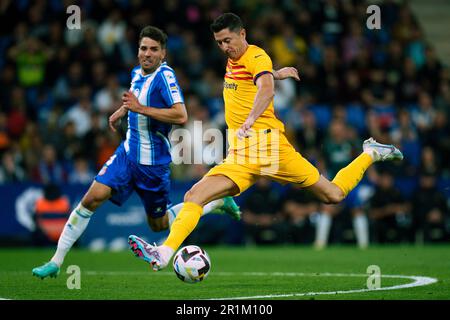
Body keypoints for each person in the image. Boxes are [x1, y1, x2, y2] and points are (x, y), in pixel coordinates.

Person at [128, 13, 403, 271]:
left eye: (228, 40)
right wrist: (276, 72)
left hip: (269, 148)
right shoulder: (237, 59)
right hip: (241, 152)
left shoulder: (255, 54)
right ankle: (164, 253)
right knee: (193, 196)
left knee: (333, 195)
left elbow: (266, 88)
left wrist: (252, 116)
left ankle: (370, 153)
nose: (224, 47)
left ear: (242, 34)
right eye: (219, 43)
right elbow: (259, 78)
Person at [32, 26, 241, 279]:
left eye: (154, 49)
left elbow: (181, 115)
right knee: (90, 199)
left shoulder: (166, 77)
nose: (147, 54)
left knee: (159, 224)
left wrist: (140, 108)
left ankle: (215, 202)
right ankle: (56, 261)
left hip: (153, 164)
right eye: (143, 48)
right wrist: (123, 111)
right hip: (127, 155)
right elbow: (134, 100)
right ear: (138, 51)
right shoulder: (136, 73)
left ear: (163, 53)